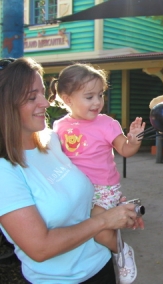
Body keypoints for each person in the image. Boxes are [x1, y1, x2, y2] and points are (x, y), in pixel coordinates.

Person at [0, 57, 143, 284]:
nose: (46, 103)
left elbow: (80, 190)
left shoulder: (53, 140)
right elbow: (40, 248)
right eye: (31, 97)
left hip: (100, 265)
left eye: (42, 93)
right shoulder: (5, 171)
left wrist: (115, 209)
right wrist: (105, 220)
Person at [48, 63, 145, 284]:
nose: (97, 102)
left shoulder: (107, 124)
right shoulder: (59, 126)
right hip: (74, 189)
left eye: (100, 95)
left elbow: (125, 150)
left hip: (103, 188)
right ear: (67, 99)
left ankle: (122, 250)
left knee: (98, 230)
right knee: (75, 227)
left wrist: (134, 139)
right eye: (89, 96)